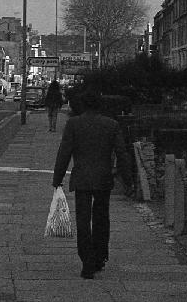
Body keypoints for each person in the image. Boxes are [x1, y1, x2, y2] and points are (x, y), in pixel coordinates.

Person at [52, 89, 133, 279]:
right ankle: (100, 257)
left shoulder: (74, 124)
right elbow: (122, 154)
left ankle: (87, 260)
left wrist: (58, 178)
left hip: (82, 178)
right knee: (101, 219)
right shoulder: (111, 125)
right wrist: (129, 181)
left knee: (82, 220)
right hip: (103, 178)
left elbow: (64, 153)